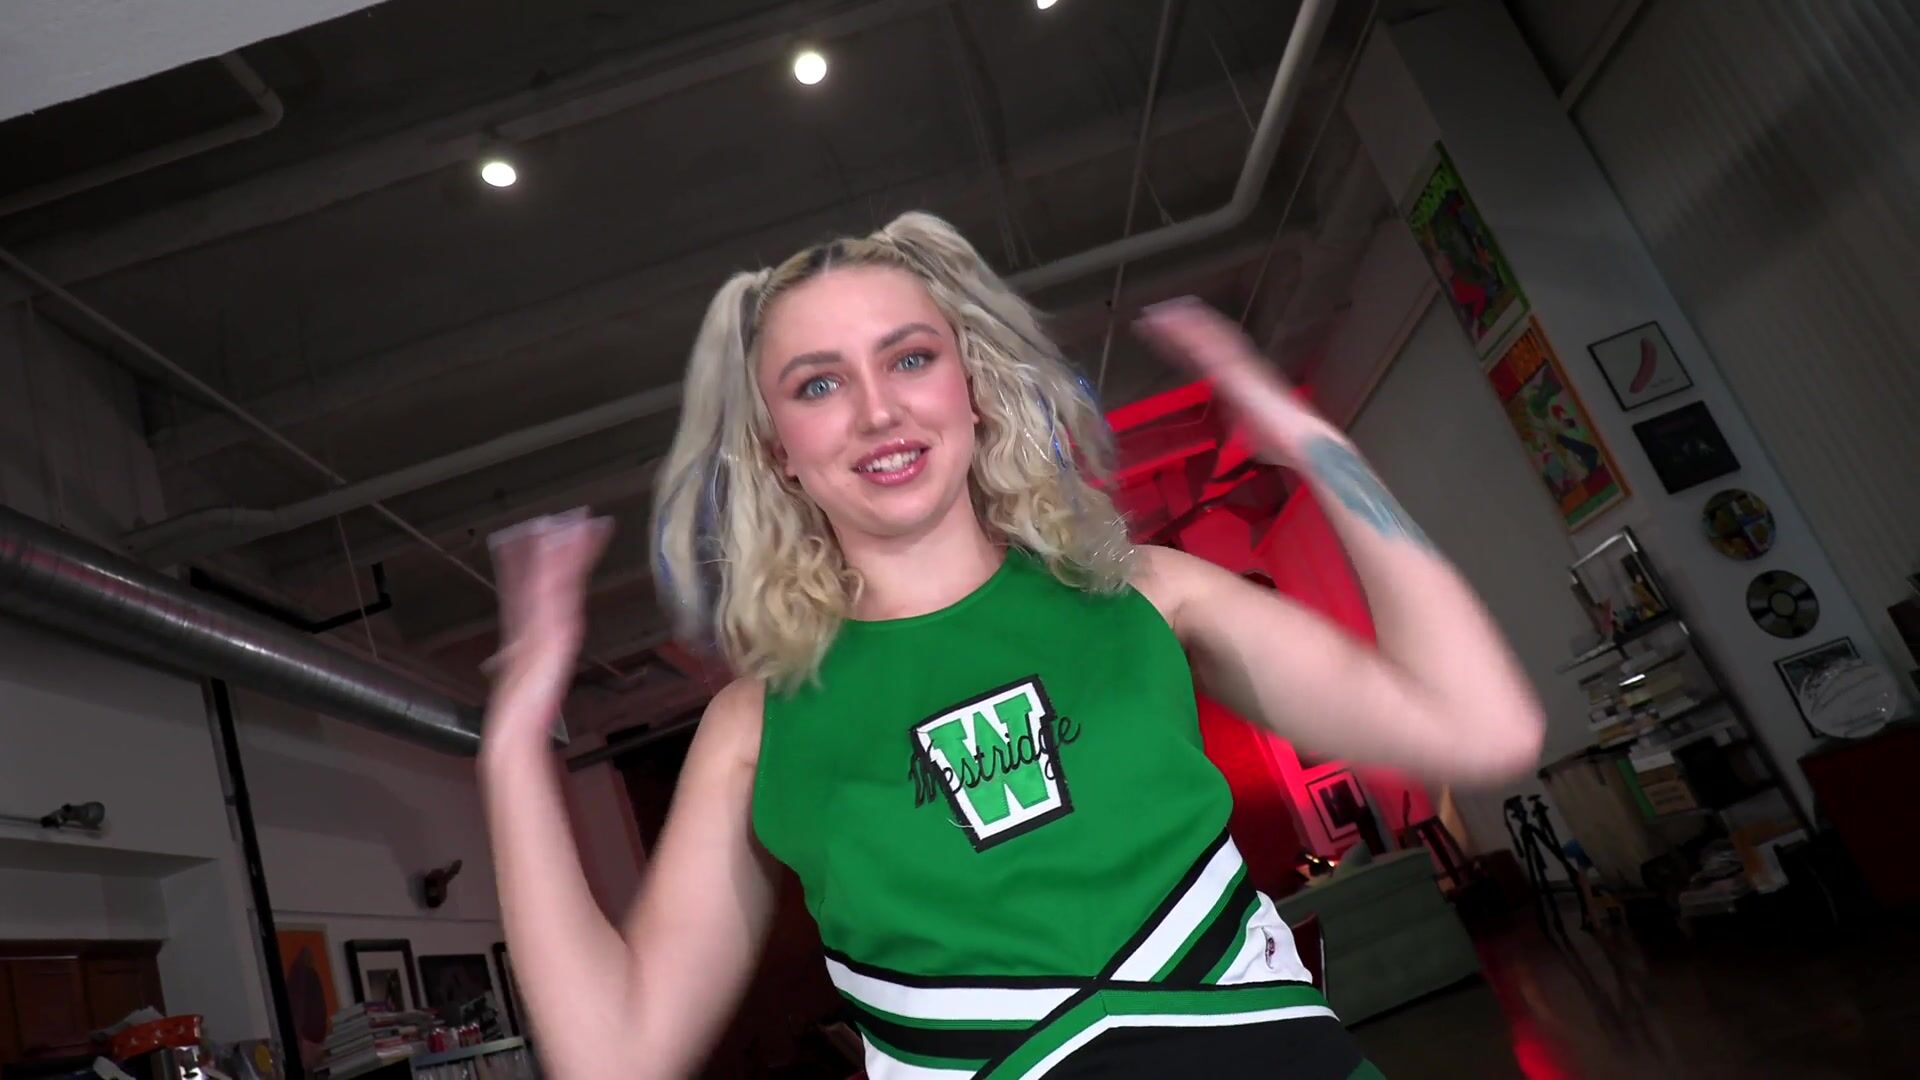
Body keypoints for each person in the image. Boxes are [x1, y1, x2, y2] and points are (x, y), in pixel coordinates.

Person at [478, 212, 1545, 1079]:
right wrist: (514, 743)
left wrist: (1314, 445)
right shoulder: (754, 728)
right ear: (778, 451)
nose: (877, 411)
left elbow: (1480, 726)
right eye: (818, 383)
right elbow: (612, 1056)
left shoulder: (1146, 593)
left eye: (909, 358)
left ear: (972, 389)